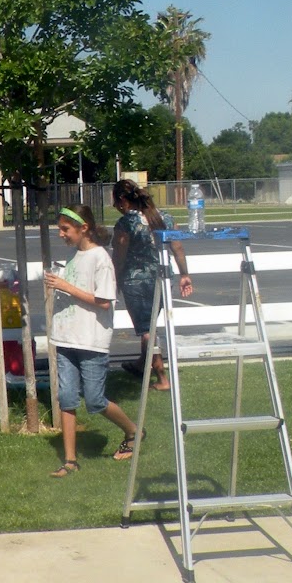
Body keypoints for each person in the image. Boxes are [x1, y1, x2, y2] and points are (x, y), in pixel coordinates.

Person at [43, 204, 140, 477]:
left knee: (95, 400)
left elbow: (104, 302)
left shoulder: (100, 259)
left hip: (91, 340)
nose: (61, 234)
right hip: (66, 338)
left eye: (65, 229)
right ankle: (70, 461)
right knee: (67, 398)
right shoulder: (74, 257)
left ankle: (133, 431)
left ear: (83, 228)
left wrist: (65, 287)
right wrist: (58, 284)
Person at [110, 178, 193, 391]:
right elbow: (178, 248)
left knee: (147, 330)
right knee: (150, 325)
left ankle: (162, 377)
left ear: (122, 200)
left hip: (135, 281)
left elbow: (119, 257)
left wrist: (114, 280)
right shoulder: (164, 217)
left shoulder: (126, 224)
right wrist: (185, 274)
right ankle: (141, 364)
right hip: (162, 278)